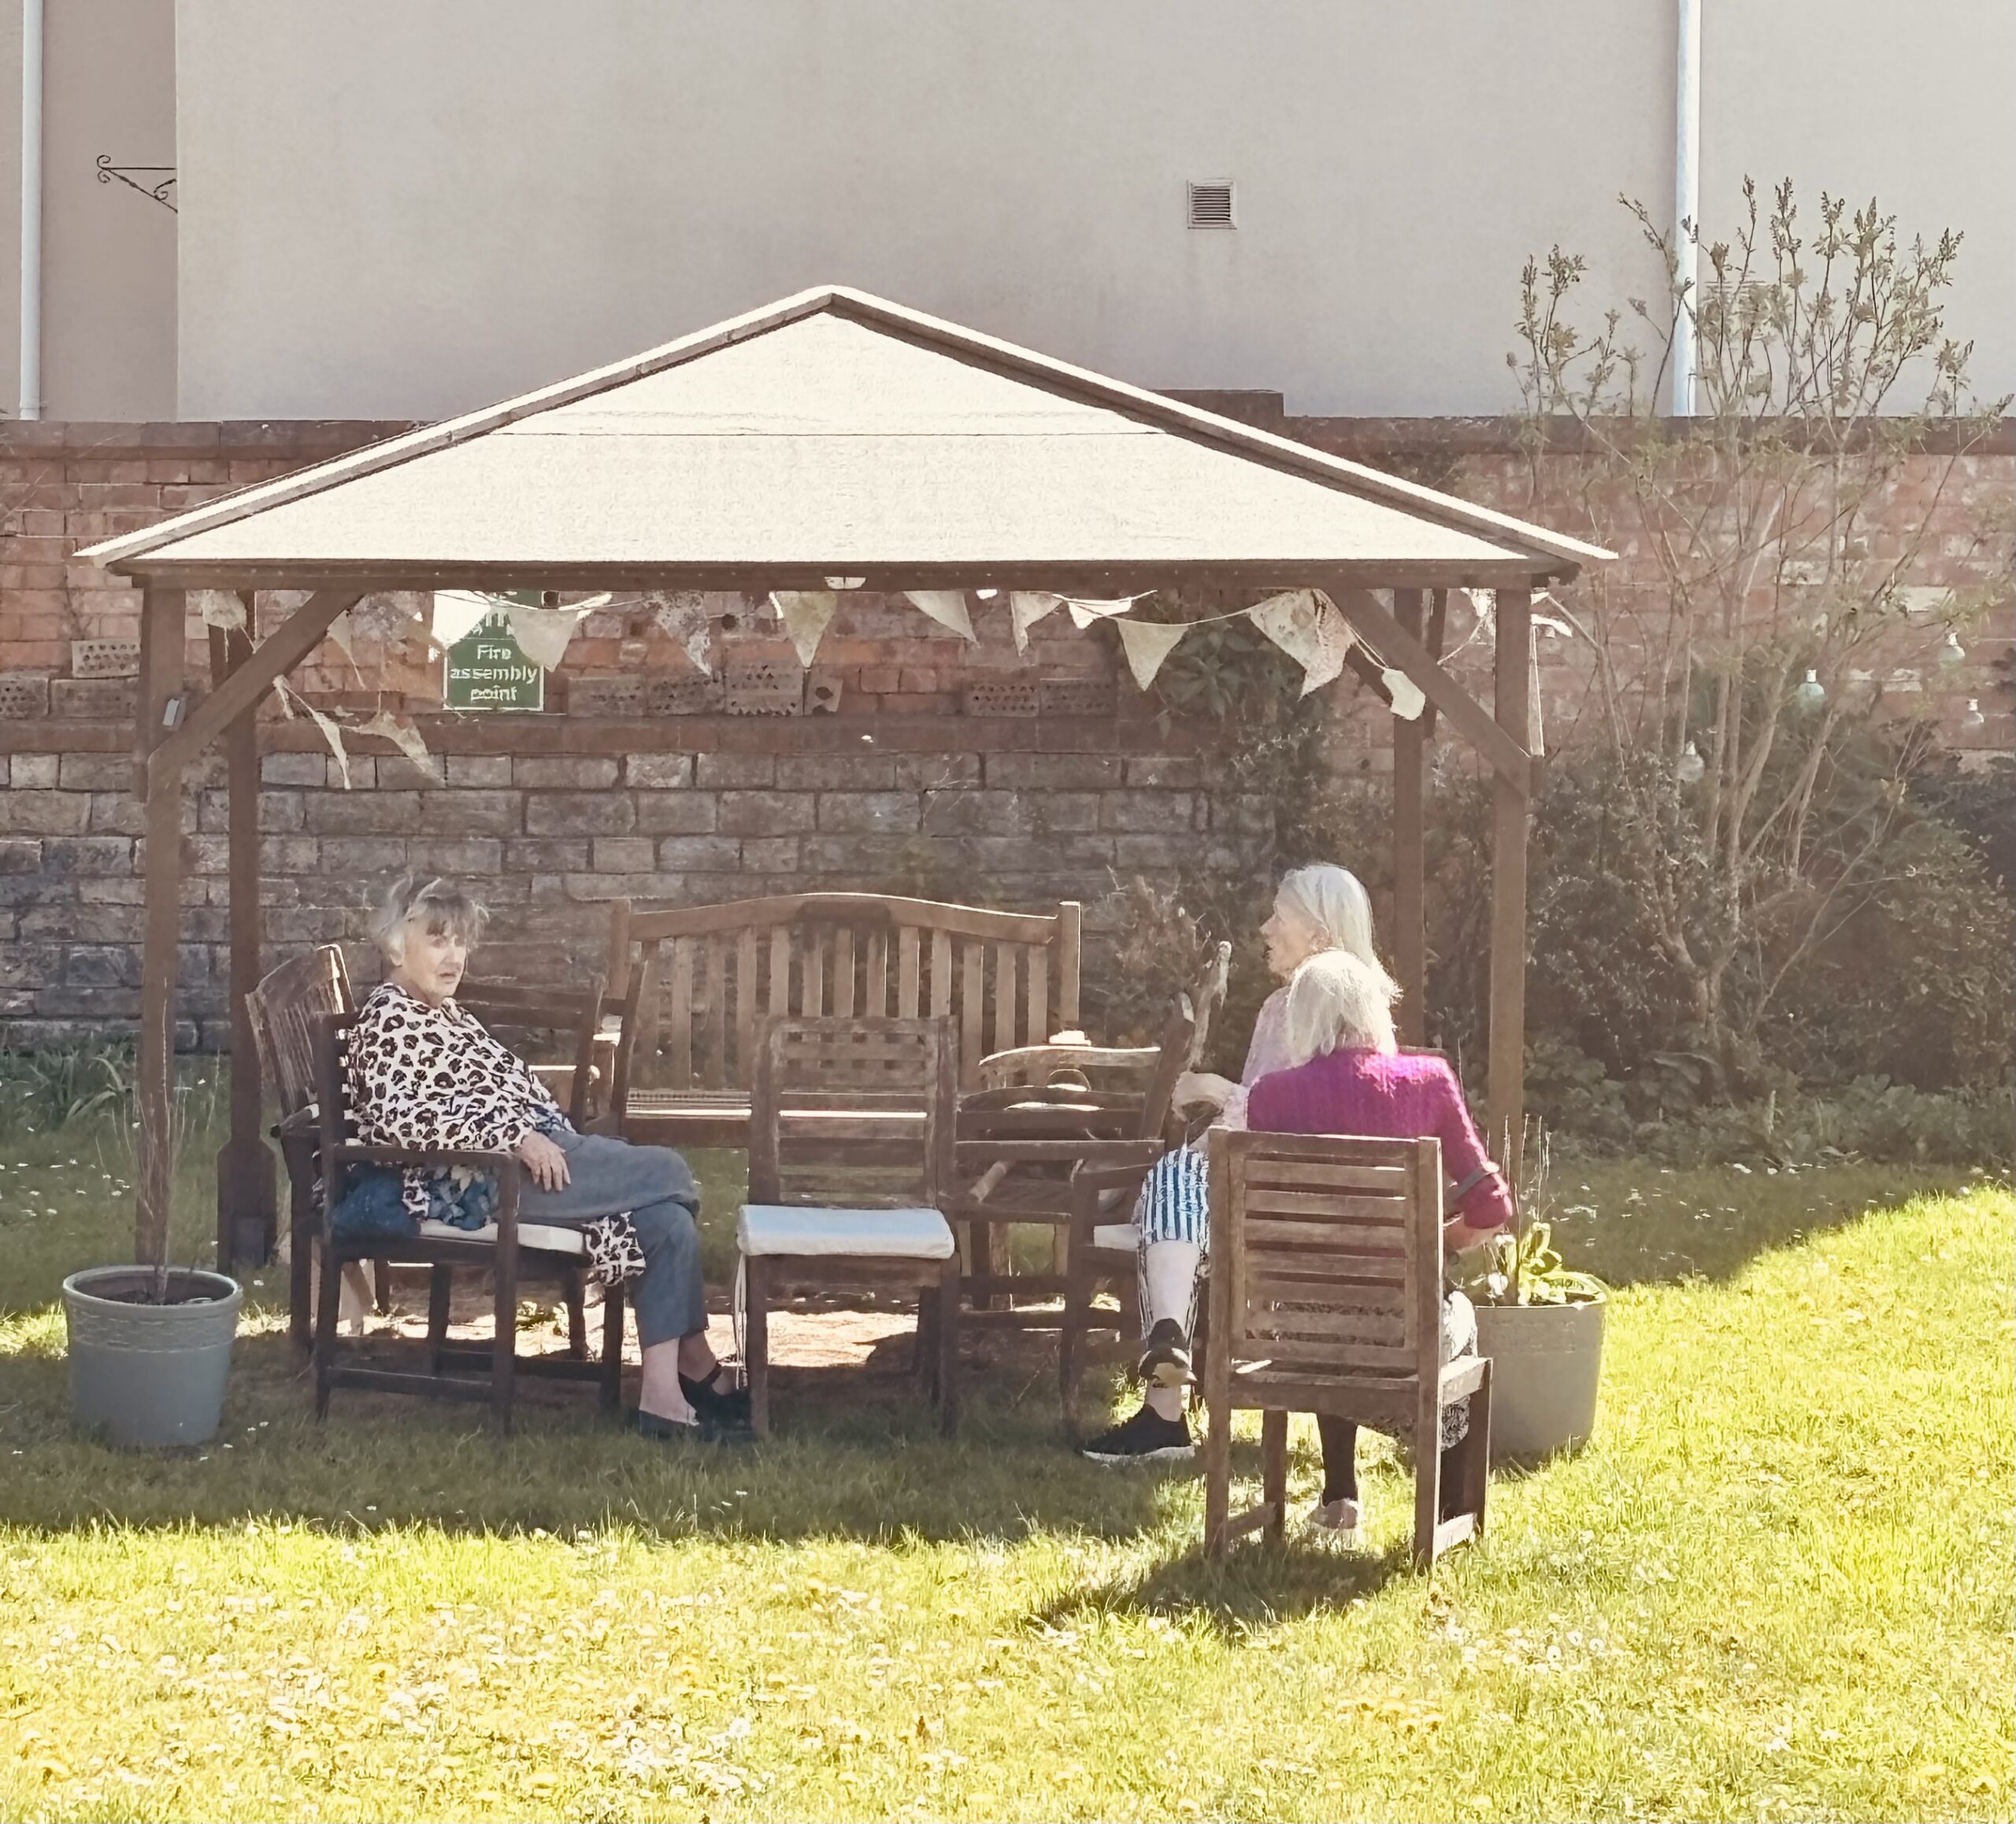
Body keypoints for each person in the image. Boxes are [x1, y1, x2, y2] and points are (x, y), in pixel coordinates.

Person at [346, 876, 750, 1444]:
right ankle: (697, 1364)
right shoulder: (391, 1021)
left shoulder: (443, 1012)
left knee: (667, 1222)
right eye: (438, 941)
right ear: (396, 944)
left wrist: (535, 1129)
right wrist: (512, 1138)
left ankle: (664, 1396)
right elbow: (402, 1119)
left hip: (535, 1159)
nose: (454, 956)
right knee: (669, 1172)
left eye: (460, 942)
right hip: (483, 1183)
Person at [1079, 863, 1391, 1465]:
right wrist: (1200, 1148)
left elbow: (1324, 1114)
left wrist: (1215, 1090)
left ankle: (1164, 1399)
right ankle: (1167, 1362)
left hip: (1304, 1196)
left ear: (1321, 931)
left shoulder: (1357, 1013)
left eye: (1280, 916)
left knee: (1176, 1182)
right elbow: (1248, 1121)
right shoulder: (1278, 1008)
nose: (1265, 928)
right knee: (1177, 1175)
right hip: (1249, 1181)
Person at [1245, 949, 1514, 1534]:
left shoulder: (1271, 1097)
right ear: (1376, 1010)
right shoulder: (1427, 1082)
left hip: (1301, 1336)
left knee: (1329, 1293)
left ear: (1303, 1019)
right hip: (1403, 1334)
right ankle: (1448, 1507)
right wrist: (1435, 1243)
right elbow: (1493, 1208)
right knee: (1457, 1316)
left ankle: (1341, 1499)